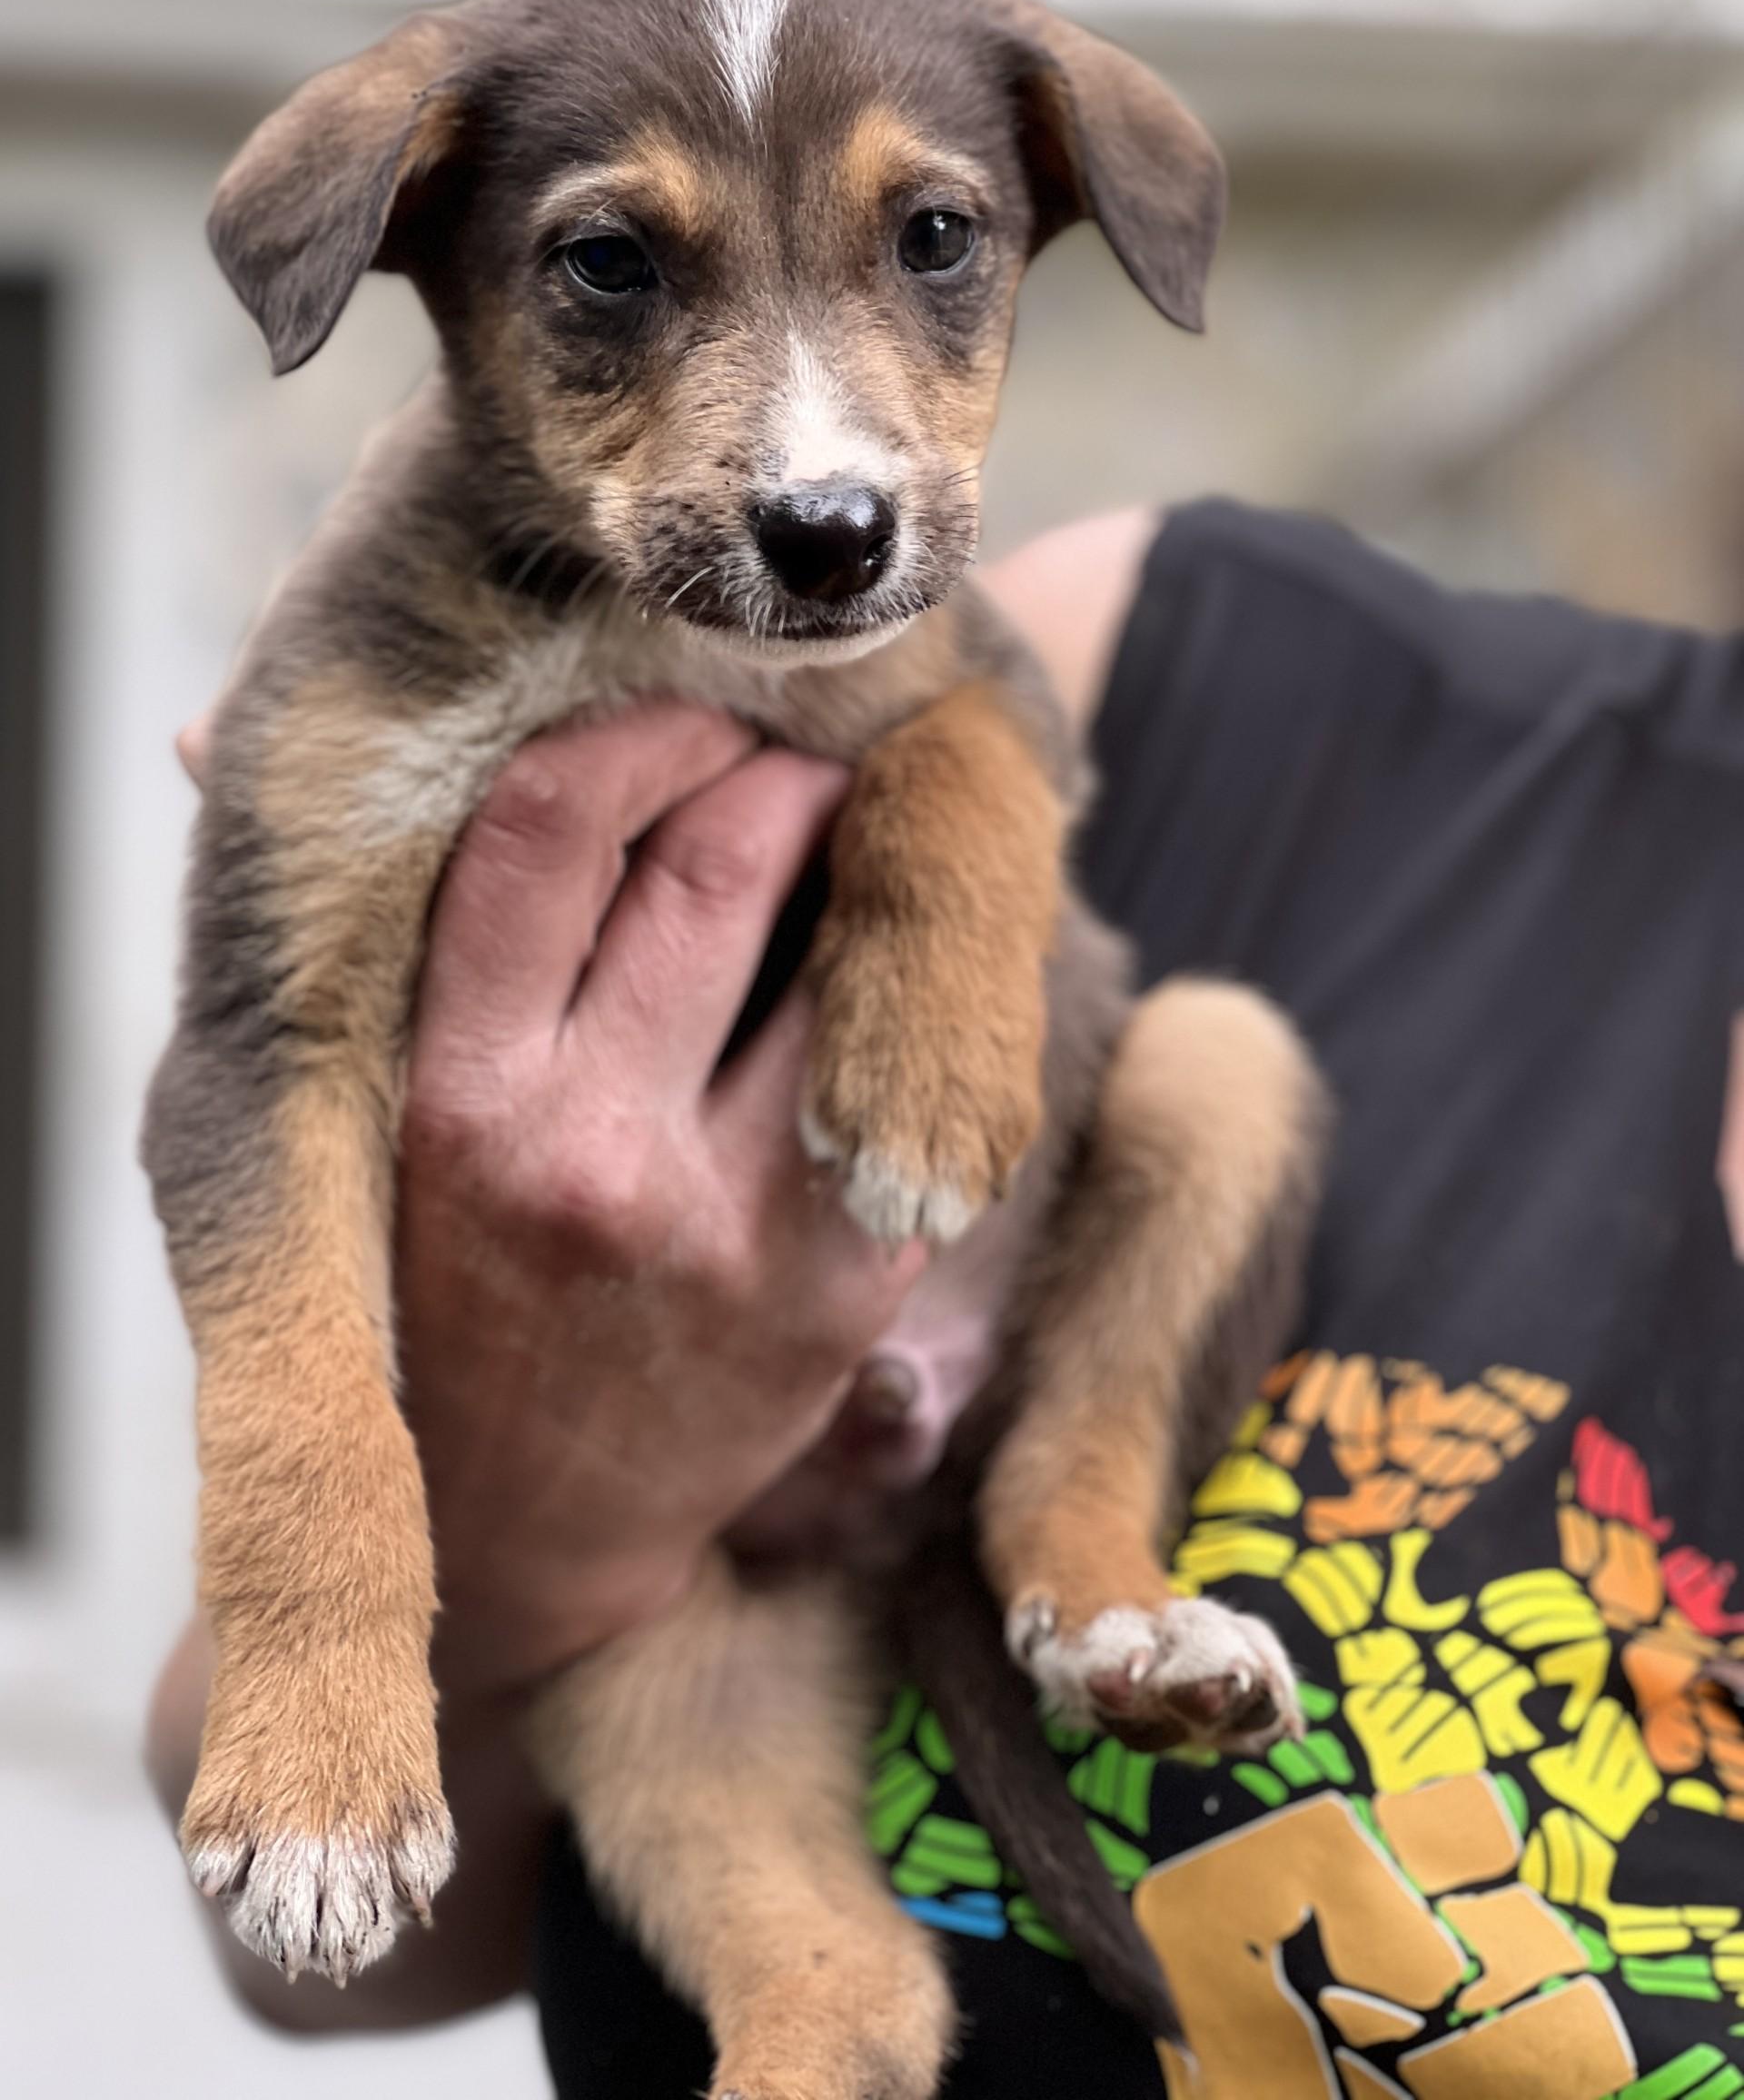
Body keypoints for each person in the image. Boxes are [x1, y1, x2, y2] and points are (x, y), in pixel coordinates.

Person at [149, 500, 1744, 2098]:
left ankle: (1059, 1591)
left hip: (1005, 1379)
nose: (816, 466)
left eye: (931, 244)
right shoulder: (1197, 653)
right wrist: (533, 1514)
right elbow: (308, 1957)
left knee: (1220, 1090)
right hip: (705, 1599)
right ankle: (823, 2006)